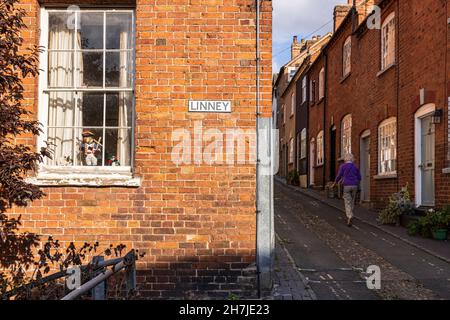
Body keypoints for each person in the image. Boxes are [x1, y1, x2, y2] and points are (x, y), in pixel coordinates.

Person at [333, 153, 361, 227]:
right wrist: (356, 182)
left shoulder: (343, 166)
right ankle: (351, 213)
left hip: (347, 186)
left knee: (347, 201)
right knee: (352, 201)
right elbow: (359, 177)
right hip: (354, 185)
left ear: (345, 159)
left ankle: (349, 216)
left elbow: (339, 175)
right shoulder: (355, 167)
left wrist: (335, 182)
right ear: (352, 159)